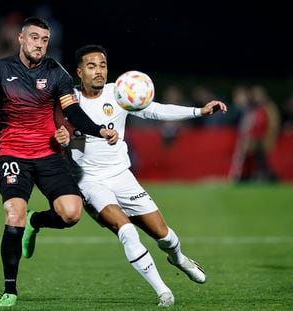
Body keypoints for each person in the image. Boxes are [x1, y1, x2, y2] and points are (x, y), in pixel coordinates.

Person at [59, 44, 227, 307]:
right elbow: (55, 132)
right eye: (91, 66)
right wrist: (64, 141)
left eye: (102, 65)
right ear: (79, 71)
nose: (99, 71)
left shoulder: (119, 92)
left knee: (165, 236)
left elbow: (154, 109)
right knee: (126, 231)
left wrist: (198, 112)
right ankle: (163, 292)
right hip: (89, 180)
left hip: (122, 176)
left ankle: (179, 258)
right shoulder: (68, 99)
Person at [0, 18, 118, 307]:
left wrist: (99, 129)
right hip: (13, 155)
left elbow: (72, 111)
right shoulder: (1, 69)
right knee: (14, 214)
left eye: (45, 39)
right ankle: (10, 289)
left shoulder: (55, 72)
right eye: (34, 37)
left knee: (71, 214)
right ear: (21, 39)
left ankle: (36, 221)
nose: (39, 44)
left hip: (49, 154)